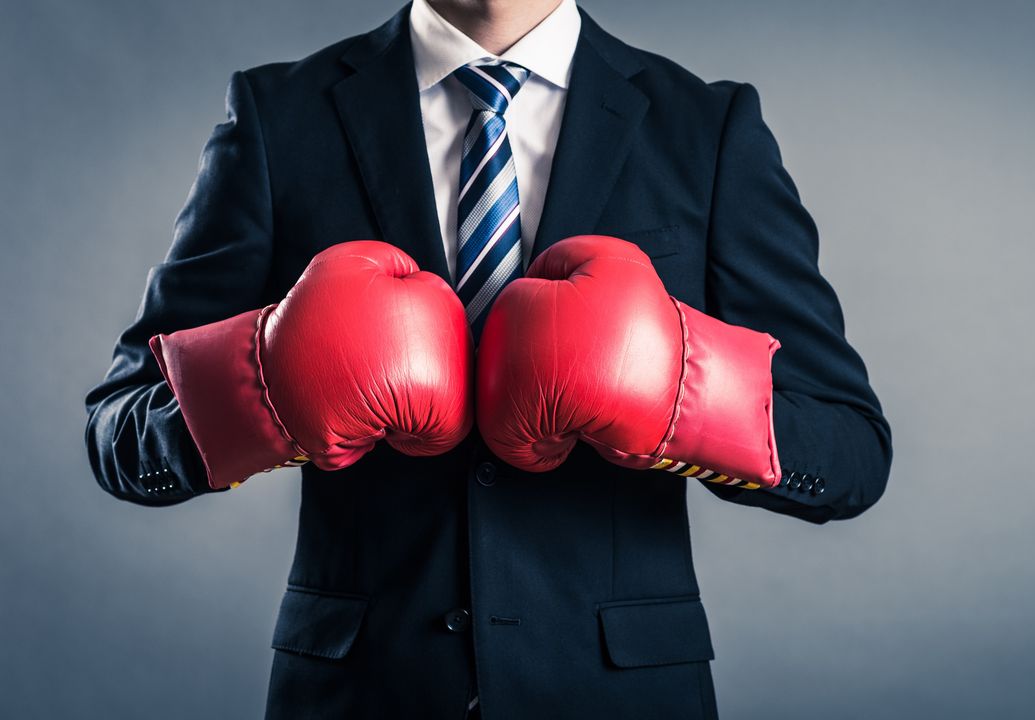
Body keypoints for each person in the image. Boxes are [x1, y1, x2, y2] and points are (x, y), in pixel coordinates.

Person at [83, 0, 893, 717]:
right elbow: (120, 429)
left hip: (622, 689)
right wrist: (269, 391)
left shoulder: (704, 127)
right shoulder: (278, 114)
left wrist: (677, 399)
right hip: (359, 689)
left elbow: (850, 449)